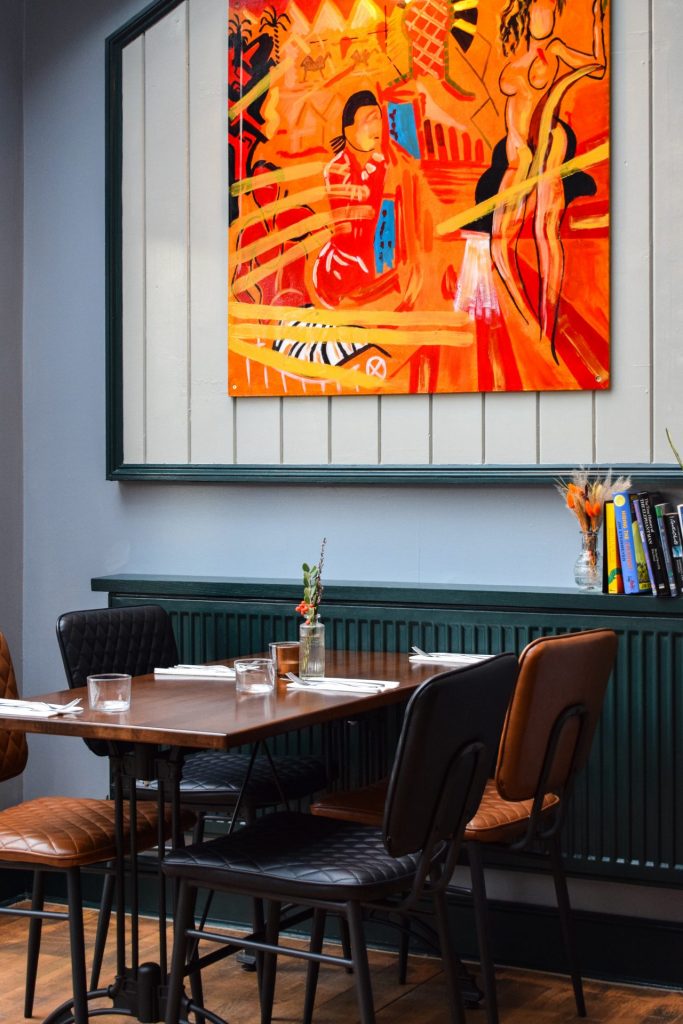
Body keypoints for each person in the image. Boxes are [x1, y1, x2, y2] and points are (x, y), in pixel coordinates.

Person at [491, 0, 606, 359]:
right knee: (499, 244)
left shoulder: (554, 50)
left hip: (547, 146)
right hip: (516, 155)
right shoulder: (514, 61)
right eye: (541, 9)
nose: (548, 18)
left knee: (545, 233)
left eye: (552, 11)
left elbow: (599, 67)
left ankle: (547, 329)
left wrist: (598, 23)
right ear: (525, 14)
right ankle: (532, 327)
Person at [312, 90, 420, 310]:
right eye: (369, 120)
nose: (376, 128)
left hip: (370, 264)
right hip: (340, 267)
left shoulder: (379, 165)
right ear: (348, 130)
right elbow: (357, 211)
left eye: (378, 120)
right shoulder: (337, 169)